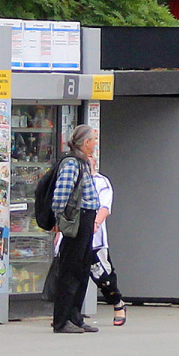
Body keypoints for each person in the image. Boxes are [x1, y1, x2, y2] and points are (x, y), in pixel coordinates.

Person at [50, 125, 102, 334]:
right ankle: (62, 320)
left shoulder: (83, 162)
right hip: (77, 219)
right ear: (86, 142)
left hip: (86, 217)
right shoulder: (72, 163)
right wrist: (59, 218)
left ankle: (75, 316)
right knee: (70, 269)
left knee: (81, 269)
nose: (95, 144)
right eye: (93, 140)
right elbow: (62, 192)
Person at [89, 157, 127, 326]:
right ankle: (68, 313)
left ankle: (117, 302)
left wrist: (96, 223)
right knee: (70, 276)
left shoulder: (101, 182)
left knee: (102, 275)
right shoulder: (73, 179)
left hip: (94, 238)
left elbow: (105, 207)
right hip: (71, 236)